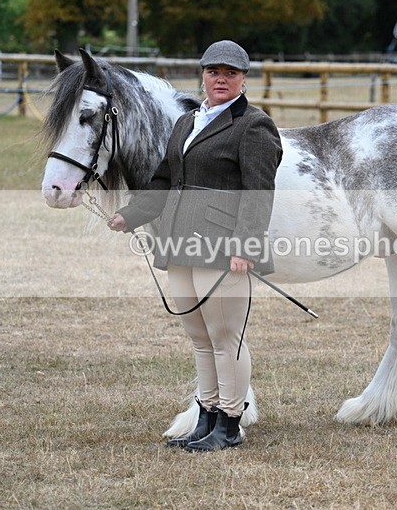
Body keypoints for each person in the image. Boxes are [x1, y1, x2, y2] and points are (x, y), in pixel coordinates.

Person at [107, 40, 282, 452]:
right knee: (200, 338)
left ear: (243, 80)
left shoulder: (254, 126)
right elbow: (167, 182)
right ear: (202, 75)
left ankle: (230, 424)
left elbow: (260, 192)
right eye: (213, 72)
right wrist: (130, 215)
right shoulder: (187, 122)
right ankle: (205, 419)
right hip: (179, 242)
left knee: (226, 337)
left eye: (230, 73)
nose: (220, 79)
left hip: (222, 247)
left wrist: (246, 245)